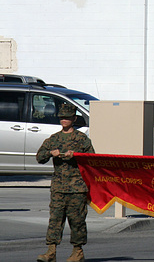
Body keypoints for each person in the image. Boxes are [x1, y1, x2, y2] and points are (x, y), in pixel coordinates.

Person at [36, 103, 95, 262]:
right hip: (59, 188)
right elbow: (39, 157)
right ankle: (51, 251)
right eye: (62, 117)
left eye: (67, 118)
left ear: (74, 119)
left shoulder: (81, 139)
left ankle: (78, 252)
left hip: (77, 188)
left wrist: (75, 155)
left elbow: (92, 159)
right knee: (55, 220)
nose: (64, 120)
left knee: (77, 221)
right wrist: (50, 153)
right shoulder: (54, 138)